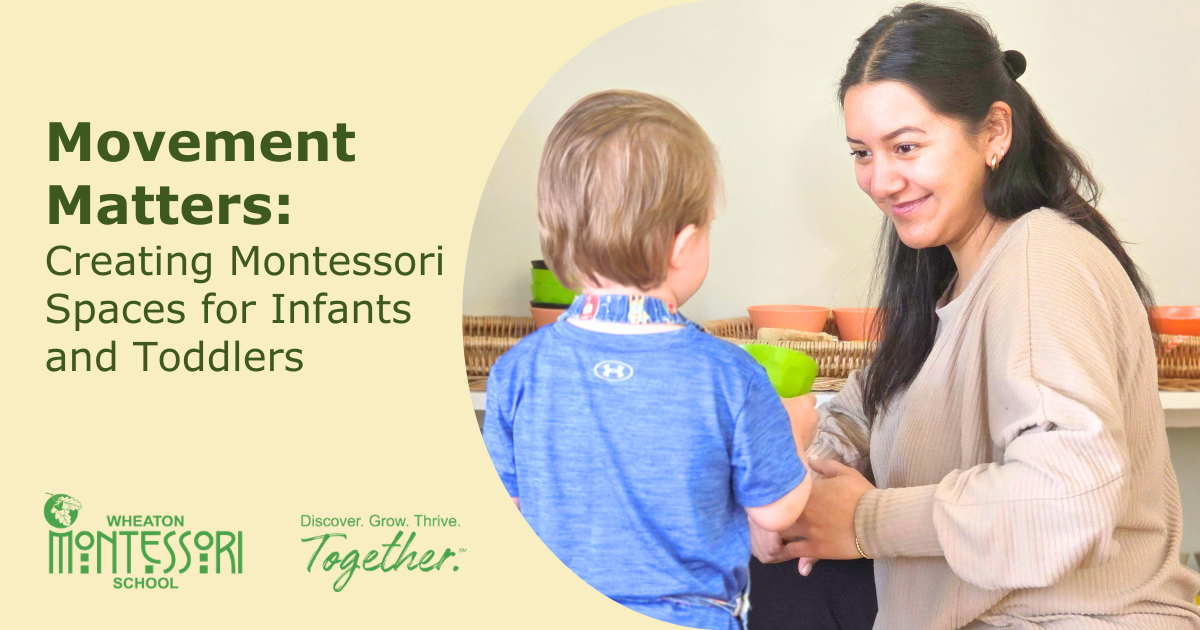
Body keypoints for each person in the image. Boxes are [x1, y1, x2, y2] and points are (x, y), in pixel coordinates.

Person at [752, 4, 1200, 629]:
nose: (880, 181)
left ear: (994, 131)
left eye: (905, 147)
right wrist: (793, 488)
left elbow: (1067, 496)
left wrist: (864, 520)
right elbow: (861, 411)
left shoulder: (1041, 261)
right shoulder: (944, 280)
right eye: (861, 153)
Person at [482, 89, 816, 630]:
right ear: (683, 245)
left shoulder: (516, 371)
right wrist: (794, 430)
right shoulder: (729, 376)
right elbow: (777, 512)